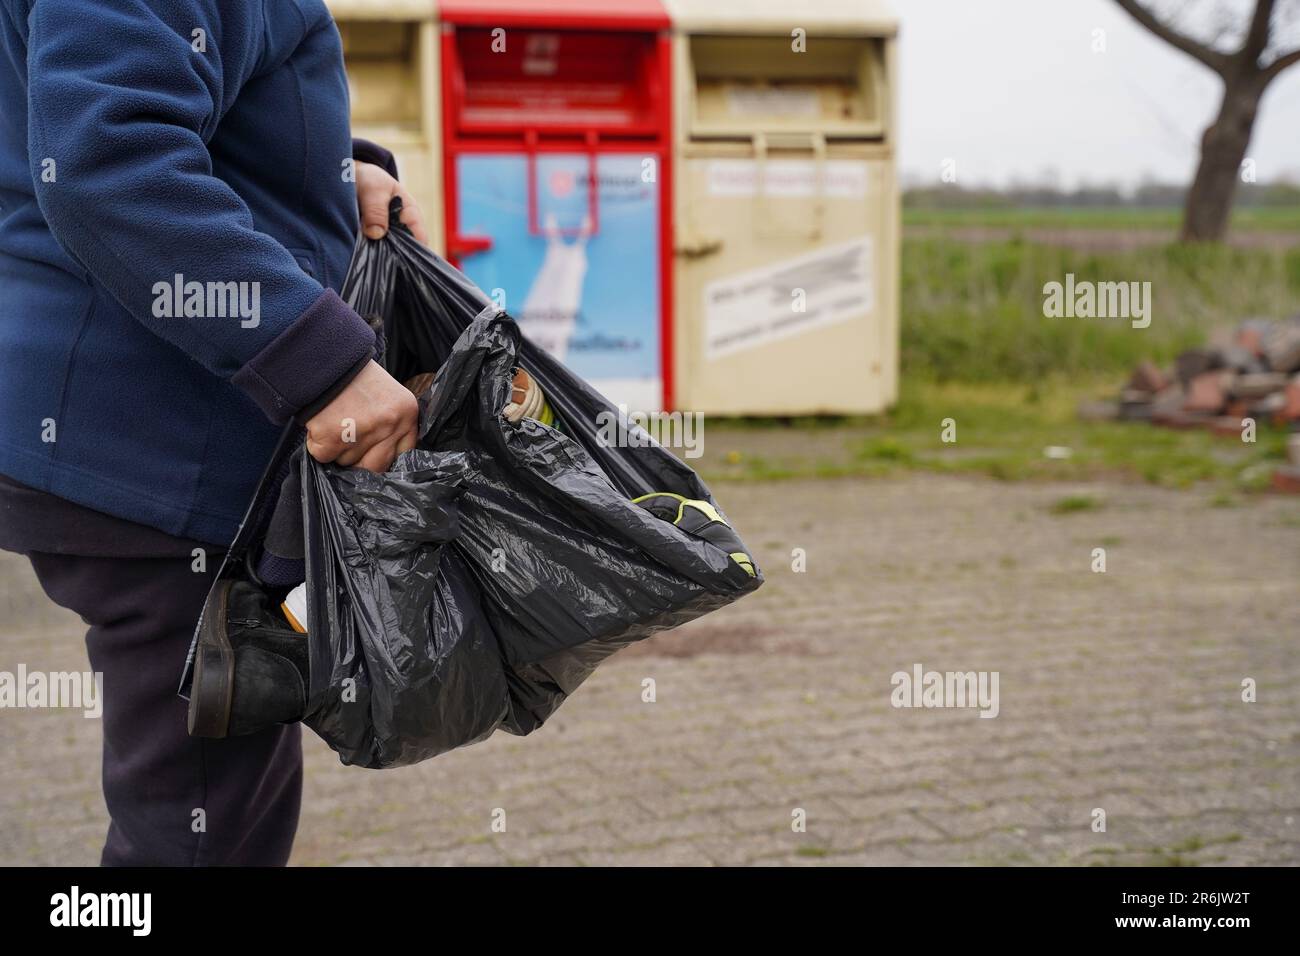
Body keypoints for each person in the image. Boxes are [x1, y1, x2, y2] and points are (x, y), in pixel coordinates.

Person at [0, 0, 425, 865]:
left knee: (210, 806)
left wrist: (342, 170)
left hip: (125, 431)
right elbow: (104, 156)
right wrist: (325, 365)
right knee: (200, 833)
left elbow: (114, 105)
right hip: (155, 447)